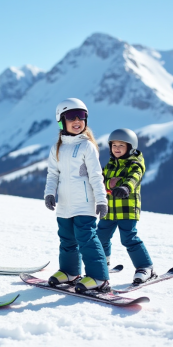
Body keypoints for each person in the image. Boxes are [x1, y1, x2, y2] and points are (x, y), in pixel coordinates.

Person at [43, 98, 110, 294]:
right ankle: (70, 272)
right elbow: (53, 174)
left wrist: (101, 200)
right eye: (71, 117)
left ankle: (99, 277)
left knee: (86, 238)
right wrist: (49, 193)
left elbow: (96, 175)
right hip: (64, 204)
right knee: (66, 239)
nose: (77, 120)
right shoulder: (58, 148)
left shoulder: (87, 146)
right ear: (61, 121)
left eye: (81, 116)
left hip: (85, 202)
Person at [98, 128, 155, 284]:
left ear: (130, 148)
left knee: (128, 238)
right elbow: (101, 181)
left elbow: (134, 177)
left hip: (127, 209)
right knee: (100, 236)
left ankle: (145, 267)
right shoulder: (109, 165)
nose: (116, 148)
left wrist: (126, 187)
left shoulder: (135, 164)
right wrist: (107, 182)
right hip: (108, 209)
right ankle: (104, 263)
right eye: (114, 145)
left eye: (121, 145)